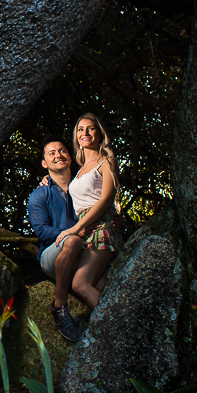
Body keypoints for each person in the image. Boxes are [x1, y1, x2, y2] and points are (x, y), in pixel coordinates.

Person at [58, 113, 123, 310]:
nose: (84, 133)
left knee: (80, 284)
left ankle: (114, 326)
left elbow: (106, 200)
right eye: (80, 129)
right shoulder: (79, 170)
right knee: (100, 286)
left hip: (102, 228)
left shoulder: (107, 162)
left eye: (91, 128)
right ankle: (116, 322)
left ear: (100, 134)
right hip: (87, 232)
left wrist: (75, 228)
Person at [27, 135, 85, 342]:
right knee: (72, 241)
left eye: (62, 151)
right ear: (45, 163)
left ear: (70, 156)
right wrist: (73, 232)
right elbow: (42, 231)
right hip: (53, 254)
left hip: (87, 252)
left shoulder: (84, 185)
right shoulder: (39, 195)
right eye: (52, 153)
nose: (58, 155)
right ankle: (59, 306)